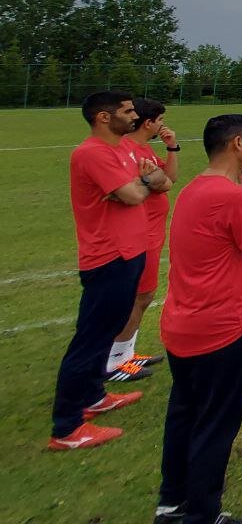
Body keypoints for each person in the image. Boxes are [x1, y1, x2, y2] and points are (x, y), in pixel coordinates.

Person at [155, 114, 242, 524]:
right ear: (236, 144)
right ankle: (202, 514)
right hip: (220, 330)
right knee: (215, 426)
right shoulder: (231, 196)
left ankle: (170, 505)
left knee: (184, 414)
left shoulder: (192, 190)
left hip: (179, 326)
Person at [49, 92, 173, 451]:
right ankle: (67, 427)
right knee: (89, 341)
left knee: (105, 334)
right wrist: (142, 184)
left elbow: (154, 183)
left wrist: (142, 184)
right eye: (127, 111)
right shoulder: (92, 153)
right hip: (108, 257)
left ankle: (94, 396)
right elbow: (135, 194)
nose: (134, 116)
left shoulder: (121, 150)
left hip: (131, 252)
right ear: (104, 117)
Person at [106, 97, 180, 380]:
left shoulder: (145, 148)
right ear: (148, 123)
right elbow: (150, 185)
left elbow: (169, 180)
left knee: (143, 296)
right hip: (137, 234)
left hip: (150, 232)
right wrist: (155, 181)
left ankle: (126, 354)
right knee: (138, 296)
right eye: (160, 120)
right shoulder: (126, 150)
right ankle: (115, 361)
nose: (162, 125)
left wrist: (172, 147)